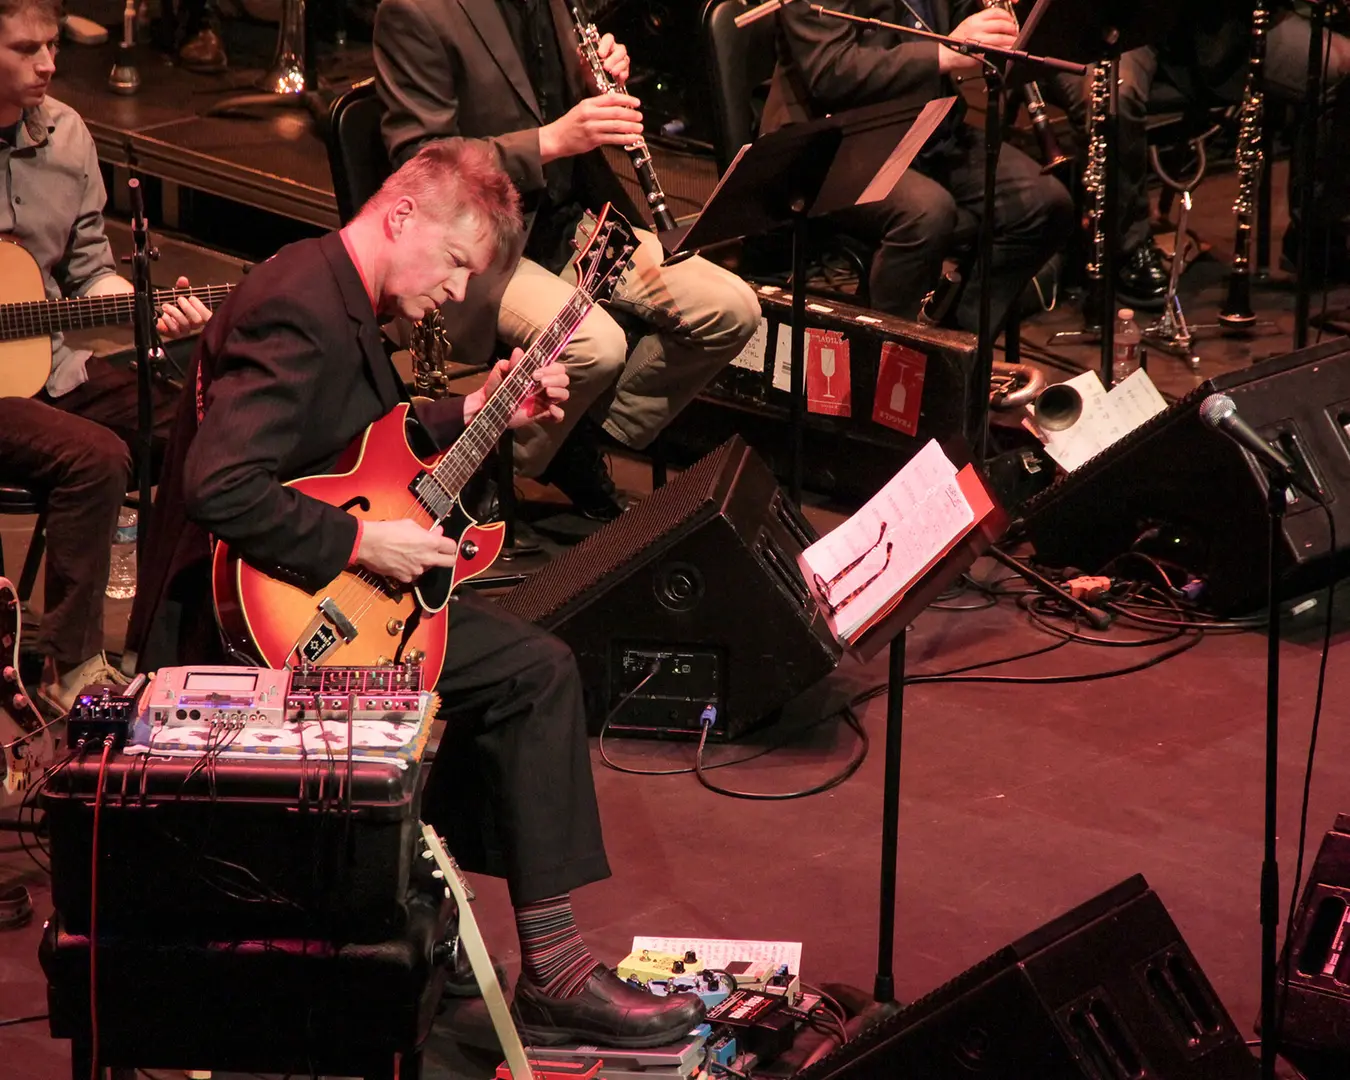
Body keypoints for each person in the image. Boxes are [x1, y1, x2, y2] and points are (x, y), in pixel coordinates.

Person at [124, 139, 707, 1048]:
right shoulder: (297, 306)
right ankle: (547, 970)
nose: (460, 292)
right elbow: (220, 485)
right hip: (243, 627)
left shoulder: (333, 292)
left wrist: (473, 415)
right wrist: (364, 540)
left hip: (313, 595)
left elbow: (352, 448)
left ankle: (467, 932)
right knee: (533, 675)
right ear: (401, 216)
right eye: (457, 263)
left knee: (529, 668)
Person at [372, 0, 761, 522]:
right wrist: (550, 140)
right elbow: (419, 159)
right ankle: (485, 470)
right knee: (595, 345)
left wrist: (586, 79)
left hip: (573, 217)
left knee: (733, 309)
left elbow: (542, 100)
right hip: (476, 245)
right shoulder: (413, 10)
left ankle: (570, 444)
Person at [0, 0, 210, 713]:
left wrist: (148, 312)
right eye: (27, 49)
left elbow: (90, 271)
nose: (50, 64)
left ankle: (175, 646)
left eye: (53, 45)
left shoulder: (66, 135)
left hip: (50, 364)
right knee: (95, 458)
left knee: (197, 424)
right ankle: (74, 664)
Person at [761, 0, 1074, 334]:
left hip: (927, 127)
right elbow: (830, 71)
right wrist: (943, 54)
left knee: (1046, 205)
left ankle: (955, 347)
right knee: (926, 212)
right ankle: (885, 363)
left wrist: (997, 20)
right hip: (835, 141)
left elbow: (961, 22)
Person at [1051, 2, 1350, 301]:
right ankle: (1127, 250)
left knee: (1341, 66)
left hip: (1222, 29)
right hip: (1128, 28)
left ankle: (1317, 233)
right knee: (1115, 98)